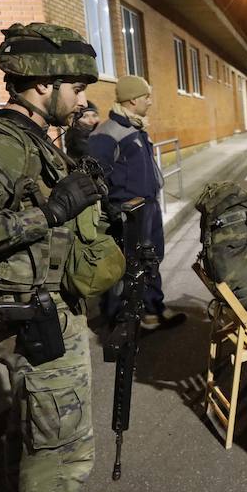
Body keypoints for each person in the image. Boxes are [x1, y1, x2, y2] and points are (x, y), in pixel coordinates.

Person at [0, 23, 107, 492]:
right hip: (35, 316)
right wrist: (51, 212)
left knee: (36, 430)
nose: (81, 102)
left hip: (46, 310)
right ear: (41, 85)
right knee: (62, 448)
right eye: (75, 90)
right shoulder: (2, 144)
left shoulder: (33, 138)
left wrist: (72, 156)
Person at [88, 76, 185, 331]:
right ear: (133, 99)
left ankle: (153, 309)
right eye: (146, 97)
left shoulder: (136, 127)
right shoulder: (107, 133)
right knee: (128, 264)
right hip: (128, 210)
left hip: (148, 206)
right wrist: (113, 209)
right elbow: (96, 177)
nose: (150, 102)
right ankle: (121, 319)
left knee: (151, 258)